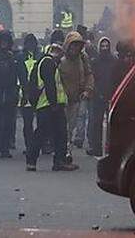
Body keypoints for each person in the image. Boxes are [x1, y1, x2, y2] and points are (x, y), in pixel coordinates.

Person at [25, 42, 77, 172]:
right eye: (57, 51)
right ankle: (36, 160)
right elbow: (50, 84)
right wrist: (54, 103)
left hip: (49, 104)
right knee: (47, 133)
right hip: (49, 105)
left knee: (56, 133)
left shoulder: (47, 62)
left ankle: (55, 161)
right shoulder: (48, 62)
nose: (59, 54)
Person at [58, 31, 93, 158]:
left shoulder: (83, 58)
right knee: (63, 127)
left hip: (76, 98)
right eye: (73, 45)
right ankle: (62, 150)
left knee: (71, 126)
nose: (75, 48)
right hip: (62, 100)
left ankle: (67, 150)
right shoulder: (60, 60)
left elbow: (89, 74)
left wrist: (88, 89)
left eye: (78, 45)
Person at [87, 37, 116, 157]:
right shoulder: (95, 61)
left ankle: (111, 149)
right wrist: (95, 92)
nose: (105, 48)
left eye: (106, 46)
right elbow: (92, 78)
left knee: (111, 124)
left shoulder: (114, 61)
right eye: (103, 46)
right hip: (97, 95)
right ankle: (96, 148)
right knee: (96, 123)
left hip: (111, 95)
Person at [17, 34, 41, 156]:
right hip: (25, 93)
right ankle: (29, 145)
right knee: (28, 122)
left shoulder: (40, 56)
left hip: (39, 92)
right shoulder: (20, 57)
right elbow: (19, 76)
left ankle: (37, 144)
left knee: (42, 121)